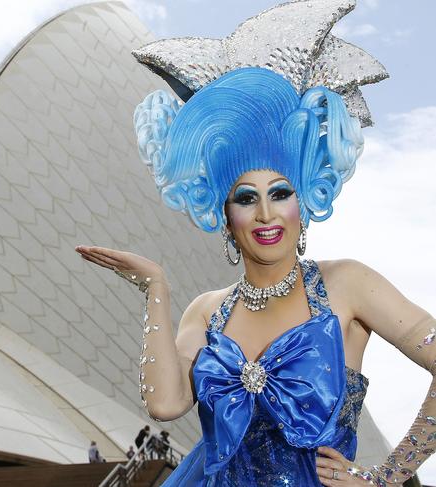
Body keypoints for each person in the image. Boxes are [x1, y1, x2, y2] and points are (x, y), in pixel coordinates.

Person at [75, 1, 436, 485]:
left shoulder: (346, 284)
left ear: (304, 199)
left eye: (280, 193)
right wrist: (155, 289)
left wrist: (388, 475)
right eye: (246, 198)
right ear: (224, 214)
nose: (266, 213)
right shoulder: (206, 311)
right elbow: (166, 404)